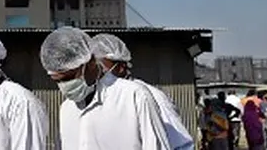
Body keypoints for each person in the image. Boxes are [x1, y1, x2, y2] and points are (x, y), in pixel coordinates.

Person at [39, 26, 171, 149]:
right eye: (58, 81)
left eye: (69, 78)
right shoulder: (67, 109)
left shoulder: (134, 97)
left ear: (90, 63)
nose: (64, 86)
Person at [90, 33, 195, 150]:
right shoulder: (95, 98)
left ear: (121, 66)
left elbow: (181, 145)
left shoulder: (147, 95)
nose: (95, 71)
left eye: (101, 67)